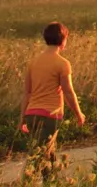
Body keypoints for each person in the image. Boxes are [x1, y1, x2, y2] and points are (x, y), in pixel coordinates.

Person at [19, 21, 86, 164]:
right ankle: (25, 184)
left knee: (48, 153)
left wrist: (22, 118)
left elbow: (27, 93)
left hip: (32, 115)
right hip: (50, 116)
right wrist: (78, 113)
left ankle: (52, 183)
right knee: (38, 156)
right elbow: (68, 92)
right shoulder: (62, 63)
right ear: (63, 40)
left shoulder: (33, 62)